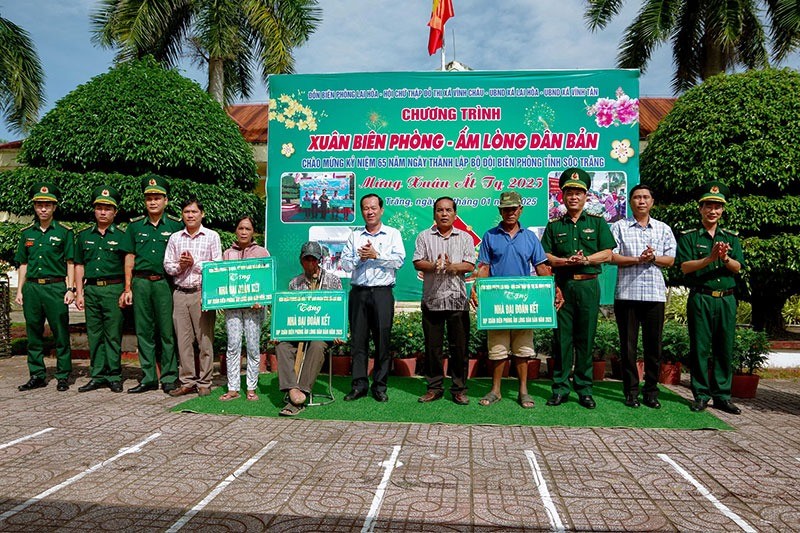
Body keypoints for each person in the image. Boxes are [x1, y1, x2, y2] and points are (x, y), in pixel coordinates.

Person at [471, 191, 560, 408]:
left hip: (524, 302)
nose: (510, 212)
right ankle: (496, 390)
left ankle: (523, 391)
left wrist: (554, 289)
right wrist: (475, 288)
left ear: (520, 210)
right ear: (500, 211)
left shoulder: (530, 237)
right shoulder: (490, 236)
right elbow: (484, 267)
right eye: (506, 209)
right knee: (497, 349)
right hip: (496, 302)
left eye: (514, 208)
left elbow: (541, 267)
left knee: (523, 349)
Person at [542, 168, 616, 409]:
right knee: (562, 339)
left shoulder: (597, 222)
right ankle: (560, 388)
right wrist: (564, 262)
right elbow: (545, 255)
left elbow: (608, 253)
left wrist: (586, 260)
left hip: (588, 285)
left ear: (586, 196)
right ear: (562, 196)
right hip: (563, 286)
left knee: (585, 338)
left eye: (578, 193)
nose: (573, 197)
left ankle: (584, 389)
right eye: (569, 193)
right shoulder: (554, 226)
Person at [676, 181, 744, 415]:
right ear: (700, 208)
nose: (712, 211)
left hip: (726, 299)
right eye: (708, 206)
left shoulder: (731, 238)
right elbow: (684, 267)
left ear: (722, 210)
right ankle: (701, 394)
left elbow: (737, 268)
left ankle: (722, 396)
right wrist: (709, 259)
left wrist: (724, 258)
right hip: (701, 297)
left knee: (724, 347)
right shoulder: (689, 237)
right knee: (700, 347)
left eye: (717, 207)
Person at [610, 184, 677, 408]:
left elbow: (670, 260)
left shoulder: (663, 229)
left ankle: (651, 391)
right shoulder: (619, 227)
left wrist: (653, 257)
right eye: (637, 197)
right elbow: (612, 256)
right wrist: (638, 259)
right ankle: (630, 391)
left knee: (653, 347)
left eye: (646, 197)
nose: (641, 201)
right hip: (627, 294)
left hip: (654, 295)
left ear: (652, 202)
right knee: (628, 347)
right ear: (630, 202)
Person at [118, 174, 183, 394]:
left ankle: (169, 376)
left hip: (164, 283)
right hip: (141, 283)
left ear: (166, 200)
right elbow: (129, 257)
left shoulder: (175, 225)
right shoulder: (135, 226)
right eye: (149, 198)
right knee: (144, 331)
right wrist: (128, 288)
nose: (153, 202)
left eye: (157, 198)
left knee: (166, 331)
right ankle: (148, 377)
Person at [341, 193, 405, 402]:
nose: (369, 212)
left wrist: (376, 255)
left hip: (382, 293)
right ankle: (359, 385)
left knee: (382, 340)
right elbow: (345, 264)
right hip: (358, 293)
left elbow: (399, 261)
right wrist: (360, 258)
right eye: (366, 208)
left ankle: (380, 386)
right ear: (362, 211)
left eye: (373, 208)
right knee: (358, 341)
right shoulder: (355, 236)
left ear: (381, 210)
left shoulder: (393, 234)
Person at [414, 197, 475, 405]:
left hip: (458, 301)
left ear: (455, 214)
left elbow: (470, 265)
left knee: (459, 348)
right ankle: (434, 388)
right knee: (433, 348)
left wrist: (451, 267)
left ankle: (459, 389)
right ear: (434, 214)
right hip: (432, 301)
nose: (444, 214)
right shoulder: (424, 236)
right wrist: (434, 265)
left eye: (448, 210)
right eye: (440, 210)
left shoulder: (465, 237)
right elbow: (417, 262)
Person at [15, 182, 75, 392]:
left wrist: (70, 289)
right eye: (39, 205)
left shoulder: (64, 232)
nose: (43, 209)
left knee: (60, 333)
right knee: (33, 333)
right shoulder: (26, 233)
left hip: (55, 288)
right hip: (32, 289)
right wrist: (20, 290)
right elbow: (23, 263)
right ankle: (37, 374)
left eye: (47, 205)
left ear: (54, 207)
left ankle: (63, 375)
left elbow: (70, 262)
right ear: (34, 207)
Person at [275, 241, 343, 416]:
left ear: (320, 260)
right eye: (307, 259)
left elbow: (338, 311)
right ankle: (292, 388)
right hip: (299, 332)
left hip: (322, 333)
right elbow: (289, 312)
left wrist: (338, 332)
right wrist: (278, 332)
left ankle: (302, 393)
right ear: (301, 260)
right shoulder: (295, 283)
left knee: (317, 345)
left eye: (314, 259)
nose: (310, 263)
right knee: (282, 346)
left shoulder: (333, 281)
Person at [164, 197, 223, 397]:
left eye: (194, 212)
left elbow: (217, 265)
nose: (190, 215)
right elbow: (168, 265)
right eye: (187, 212)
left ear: (202, 214)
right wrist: (181, 266)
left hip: (201, 293)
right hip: (180, 293)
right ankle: (187, 381)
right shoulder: (175, 238)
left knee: (204, 340)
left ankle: (205, 381)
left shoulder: (212, 236)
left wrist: (194, 263)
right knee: (183, 341)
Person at [74, 186, 127, 393]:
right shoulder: (84, 236)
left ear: (115, 212)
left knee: (113, 334)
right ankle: (97, 375)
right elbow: (79, 265)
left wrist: (126, 290)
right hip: (92, 290)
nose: (103, 212)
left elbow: (128, 265)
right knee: (94, 334)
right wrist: (79, 292)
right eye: (99, 208)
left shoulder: (122, 236)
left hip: (113, 289)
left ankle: (114, 375)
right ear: (94, 210)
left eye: (107, 208)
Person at [218, 216, 269, 402]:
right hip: (233, 307)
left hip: (253, 308)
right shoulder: (227, 254)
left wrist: (261, 299)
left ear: (253, 231)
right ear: (236, 231)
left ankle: (251, 387)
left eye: (247, 229)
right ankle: (233, 388)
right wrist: (219, 300)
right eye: (241, 228)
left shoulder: (262, 252)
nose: (244, 232)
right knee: (233, 345)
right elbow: (221, 279)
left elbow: (266, 279)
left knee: (253, 347)